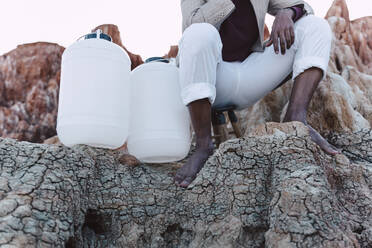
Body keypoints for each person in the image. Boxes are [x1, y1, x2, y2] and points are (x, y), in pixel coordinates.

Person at [174, 0, 340, 188]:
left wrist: (287, 13)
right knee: (199, 33)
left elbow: (303, 6)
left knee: (315, 26)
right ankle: (203, 146)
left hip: (249, 73)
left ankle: (295, 120)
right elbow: (192, 23)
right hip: (211, 78)